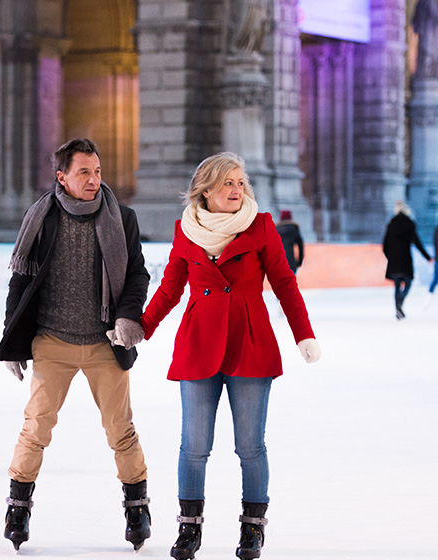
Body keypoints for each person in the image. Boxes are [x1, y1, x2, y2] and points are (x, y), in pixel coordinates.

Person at [140, 152, 321, 560]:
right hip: (199, 344)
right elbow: (170, 289)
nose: (237, 189)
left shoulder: (261, 226)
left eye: (240, 182)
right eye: (227, 183)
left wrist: (303, 334)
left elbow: (285, 284)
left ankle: (252, 528)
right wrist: (142, 327)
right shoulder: (185, 230)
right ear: (205, 190)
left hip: (249, 342)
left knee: (250, 446)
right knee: (194, 445)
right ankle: (189, 528)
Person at [0, 138, 152, 552]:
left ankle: (137, 506)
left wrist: (127, 316)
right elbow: (21, 281)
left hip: (105, 342)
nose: (93, 179)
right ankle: (18, 508)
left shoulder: (123, 218)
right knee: (35, 427)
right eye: (84, 172)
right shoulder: (41, 219)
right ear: (62, 177)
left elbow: (137, 274)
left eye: (97, 171)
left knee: (121, 430)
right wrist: (12, 340)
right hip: (53, 341)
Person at [383, 201, 431, 319]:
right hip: (405, 258)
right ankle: (400, 302)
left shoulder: (391, 224)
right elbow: (417, 242)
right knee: (408, 283)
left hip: (394, 259)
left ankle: (397, 307)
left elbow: (385, 244)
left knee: (397, 285)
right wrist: (427, 257)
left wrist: (390, 256)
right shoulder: (409, 224)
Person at [275, 209, 304, 274]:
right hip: (291, 263)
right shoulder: (294, 228)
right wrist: (300, 261)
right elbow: (300, 246)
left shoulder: (276, 229)